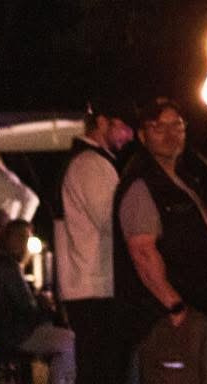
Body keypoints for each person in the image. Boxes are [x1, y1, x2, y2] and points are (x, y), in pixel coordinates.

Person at [113, 97, 207, 384]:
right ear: (142, 135)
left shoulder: (184, 181)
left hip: (200, 314)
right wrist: (175, 306)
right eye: (158, 127)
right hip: (171, 319)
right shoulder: (143, 184)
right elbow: (142, 251)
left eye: (176, 126)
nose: (170, 135)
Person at [53, 97, 136, 384]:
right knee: (103, 371)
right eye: (124, 127)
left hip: (87, 287)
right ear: (102, 122)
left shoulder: (85, 162)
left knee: (97, 370)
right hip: (96, 288)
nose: (130, 136)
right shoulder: (91, 164)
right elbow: (115, 222)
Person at [0, 218, 76, 384]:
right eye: (20, 237)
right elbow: (27, 309)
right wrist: (46, 307)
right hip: (16, 335)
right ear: (8, 239)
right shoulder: (9, 268)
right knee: (69, 341)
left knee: (56, 336)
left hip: (2, 332)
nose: (23, 243)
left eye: (26, 238)